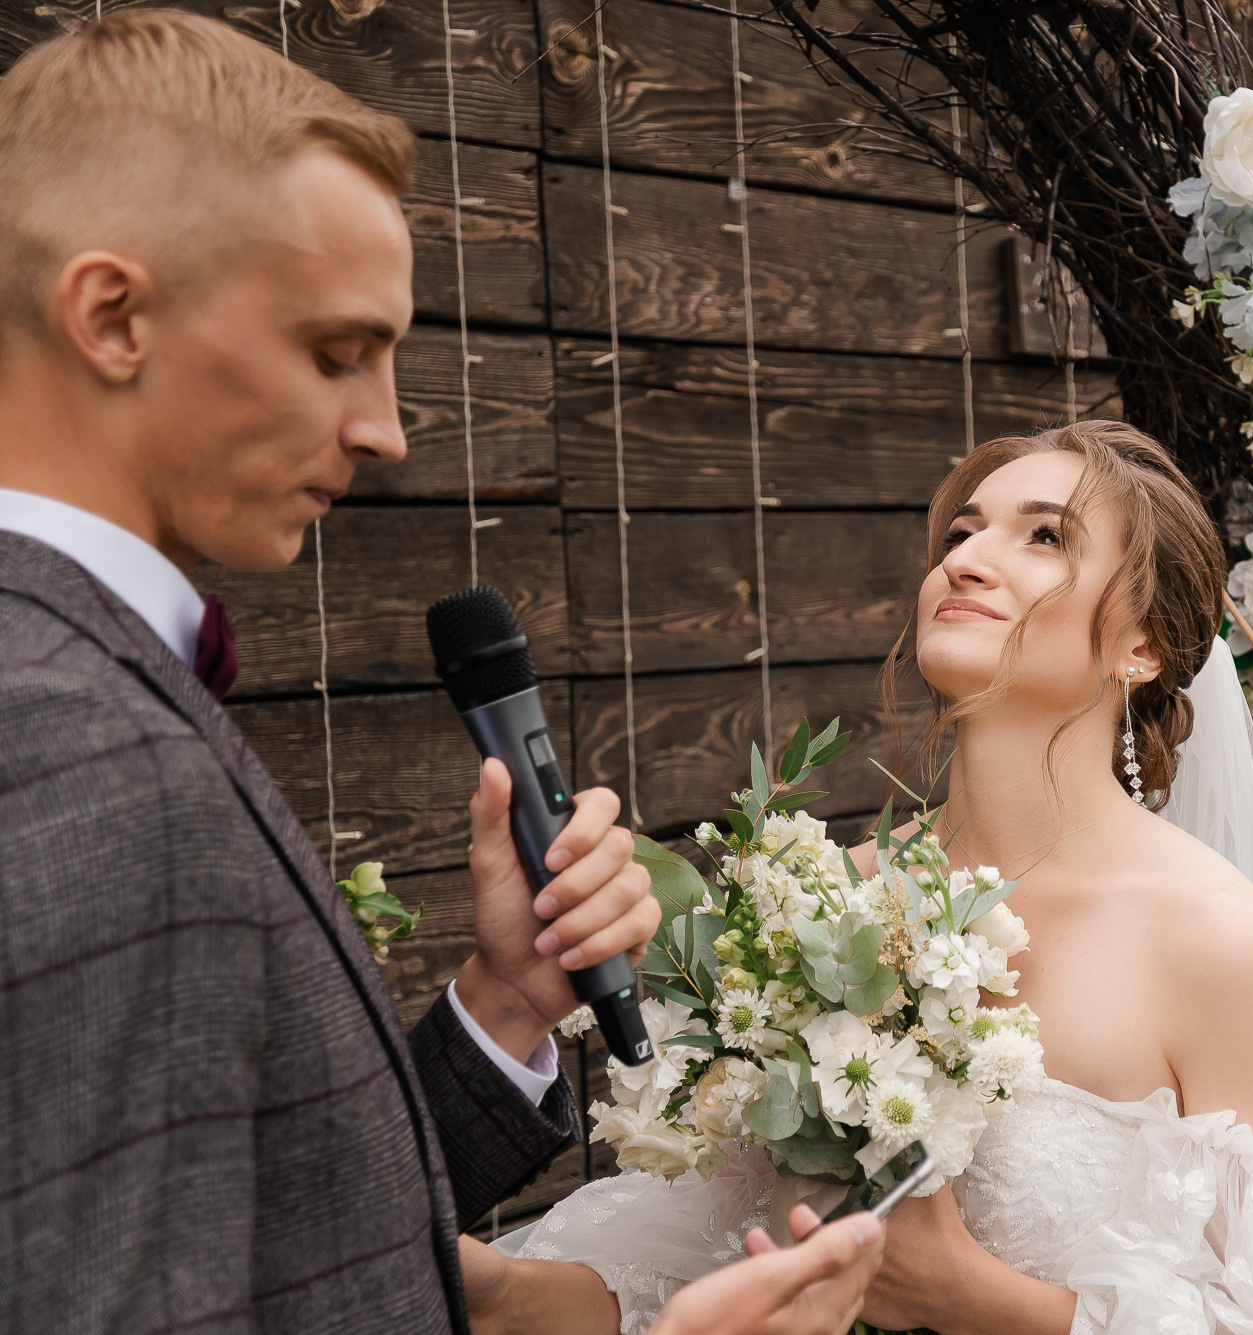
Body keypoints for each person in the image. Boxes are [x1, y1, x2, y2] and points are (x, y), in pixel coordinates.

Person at [0, 11, 880, 1334]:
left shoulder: (84, 680)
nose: (388, 429)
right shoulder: (69, 743)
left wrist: (509, 997)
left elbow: (284, 1235)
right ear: (113, 314)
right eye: (336, 352)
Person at [484, 421, 1253, 1334]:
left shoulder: (1217, 941)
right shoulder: (824, 905)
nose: (965, 562)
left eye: (1045, 535)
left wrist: (978, 1302)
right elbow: (682, 1273)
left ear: (1144, 647)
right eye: (962, 534)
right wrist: (483, 1286)